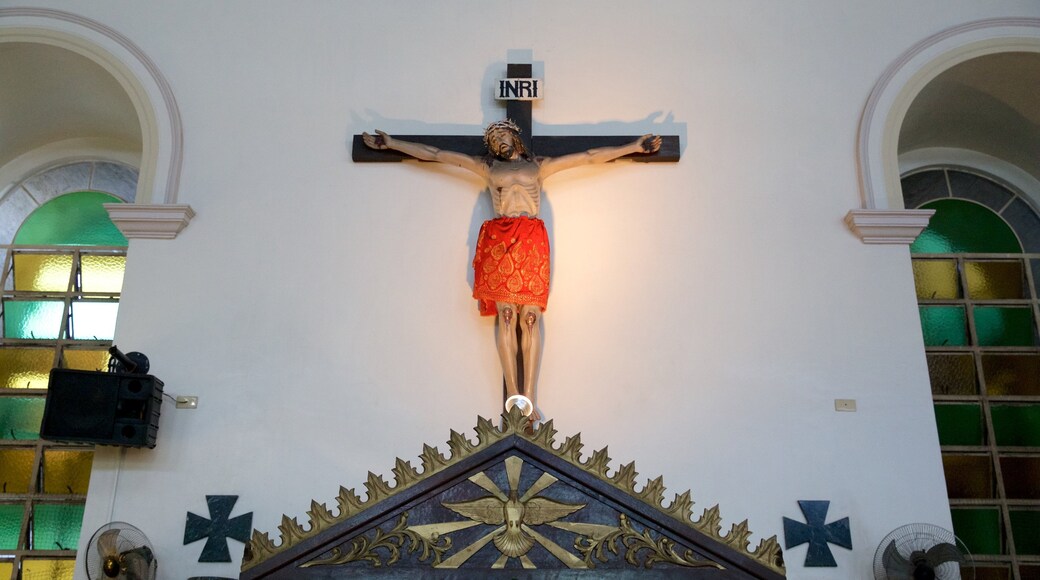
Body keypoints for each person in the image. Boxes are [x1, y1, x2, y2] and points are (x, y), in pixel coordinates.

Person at [363, 120, 661, 418]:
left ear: (515, 137)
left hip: (531, 240)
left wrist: (632, 147)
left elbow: (589, 156)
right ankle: (514, 396)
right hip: (501, 238)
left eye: (501, 135)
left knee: (529, 318)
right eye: (492, 140)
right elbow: (436, 153)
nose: (497, 142)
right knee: (506, 316)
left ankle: (528, 397)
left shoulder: (539, 166)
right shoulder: (488, 169)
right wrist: (392, 144)